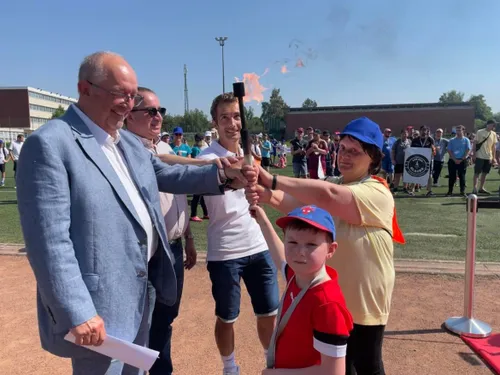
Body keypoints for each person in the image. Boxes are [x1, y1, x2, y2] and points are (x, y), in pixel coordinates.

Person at [16, 51, 247, 375]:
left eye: (132, 95)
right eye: (119, 93)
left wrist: (225, 175)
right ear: (85, 89)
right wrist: (78, 311)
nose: (127, 103)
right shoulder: (51, 144)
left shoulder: (125, 142)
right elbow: (48, 242)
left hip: (141, 296)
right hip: (97, 310)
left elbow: (169, 176)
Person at [244, 117, 404, 375]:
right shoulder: (337, 183)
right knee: (338, 362)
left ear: (373, 158)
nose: (345, 156)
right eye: (342, 149)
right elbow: (300, 206)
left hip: (363, 301)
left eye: (355, 151)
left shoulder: (377, 191)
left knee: (366, 365)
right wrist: (266, 195)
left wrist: (271, 180)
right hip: (333, 296)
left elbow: (325, 196)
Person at [197, 93, 280, 375]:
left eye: (236, 117)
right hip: (225, 251)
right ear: (215, 122)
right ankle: (230, 368)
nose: (231, 123)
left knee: (269, 313)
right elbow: (228, 173)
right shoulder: (207, 157)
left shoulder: (252, 154)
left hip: (258, 245)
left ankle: (272, 362)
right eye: (225, 118)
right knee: (227, 317)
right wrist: (243, 171)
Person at [124, 87, 204, 375]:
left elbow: (179, 199)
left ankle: (160, 370)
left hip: (174, 246)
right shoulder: (126, 150)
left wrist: (189, 238)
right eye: (150, 111)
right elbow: (163, 166)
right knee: (142, 320)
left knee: (166, 316)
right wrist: (208, 163)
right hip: (148, 252)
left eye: (160, 111)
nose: (158, 116)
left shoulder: (166, 147)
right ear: (129, 115)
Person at [250, 204, 353, 374]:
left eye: (311, 245)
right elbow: (280, 258)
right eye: (292, 242)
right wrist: (262, 221)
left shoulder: (327, 304)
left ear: (331, 250)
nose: (299, 252)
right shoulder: (298, 276)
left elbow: (333, 372)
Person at [472, 119, 497, 194]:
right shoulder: (480, 132)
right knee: (477, 173)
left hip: (488, 157)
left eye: (494, 125)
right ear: (488, 124)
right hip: (480, 156)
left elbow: (493, 147)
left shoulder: (493, 134)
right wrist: (474, 154)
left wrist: (493, 157)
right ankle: (475, 188)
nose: (493, 126)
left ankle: (481, 188)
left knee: (485, 173)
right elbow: (475, 143)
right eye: (493, 124)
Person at [446, 125, 471, 197]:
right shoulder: (452, 140)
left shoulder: (466, 140)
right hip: (452, 160)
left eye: (459, 130)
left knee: (462, 176)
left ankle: (462, 191)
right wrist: (454, 159)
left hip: (462, 161)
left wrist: (462, 159)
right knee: (452, 176)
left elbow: (468, 150)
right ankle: (450, 191)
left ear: (463, 131)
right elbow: (449, 150)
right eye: (457, 130)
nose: (458, 132)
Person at [190, 133, 210, 222]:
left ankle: (206, 213)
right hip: (197, 173)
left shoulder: (202, 148)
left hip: (203, 173)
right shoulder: (195, 149)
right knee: (196, 196)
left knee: (202, 196)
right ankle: (193, 214)